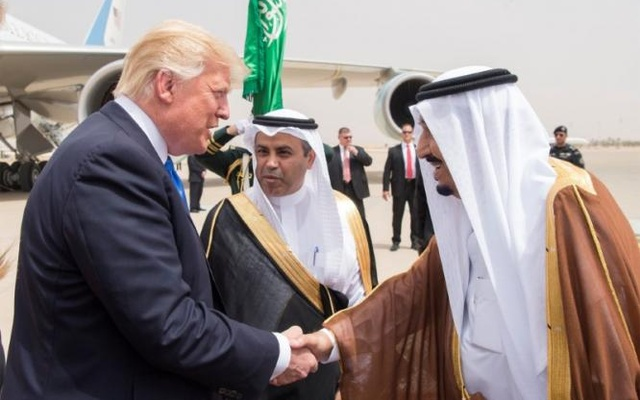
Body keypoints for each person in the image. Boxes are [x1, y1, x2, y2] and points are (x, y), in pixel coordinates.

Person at [2, 20, 318, 400]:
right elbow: (168, 324)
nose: (223, 111)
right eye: (217, 93)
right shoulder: (112, 161)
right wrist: (277, 353)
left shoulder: (117, 149)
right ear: (166, 85)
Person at [298, 67, 640, 399]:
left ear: (479, 133)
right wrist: (331, 339)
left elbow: (609, 329)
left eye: (435, 132)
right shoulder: (465, 214)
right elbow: (410, 293)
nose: (422, 148)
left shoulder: (566, 202)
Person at [200, 109, 377, 399]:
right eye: (262, 151)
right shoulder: (228, 215)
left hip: (322, 376)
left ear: (310, 159)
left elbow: (362, 303)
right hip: (249, 380)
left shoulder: (343, 213)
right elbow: (207, 307)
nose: (270, 163)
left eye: (283, 152)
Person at [195, 123, 335, 195]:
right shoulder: (239, 160)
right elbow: (202, 153)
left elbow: (328, 153)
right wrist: (230, 131)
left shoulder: (290, 157)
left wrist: (294, 133)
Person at [382, 123, 421, 251]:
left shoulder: (418, 149)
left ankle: (415, 241)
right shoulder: (394, 151)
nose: (407, 134)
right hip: (400, 187)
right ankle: (396, 240)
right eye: (404, 132)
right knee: (397, 216)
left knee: (415, 216)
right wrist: (385, 188)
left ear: (412, 134)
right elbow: (387, 170)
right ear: (401, 134)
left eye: (409, 132)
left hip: (414, 187)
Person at [327, 127, 372, 220]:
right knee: (341, 217)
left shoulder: (358, 150)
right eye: (346, 137)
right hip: (339, 188)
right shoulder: (332, 152)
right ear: (339, 137)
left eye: (350, 137)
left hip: (355, 189)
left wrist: (356, 153)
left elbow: (368, 162)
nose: (349, 139)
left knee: (360, 218)